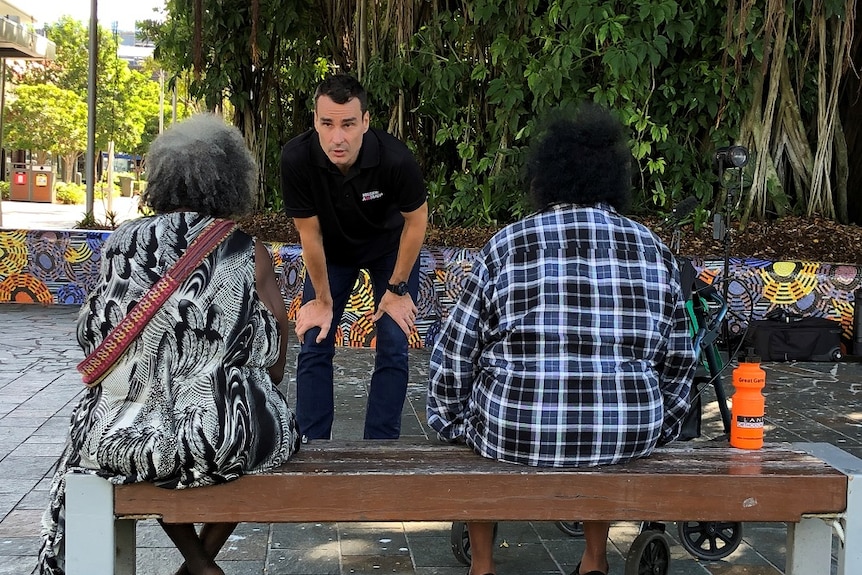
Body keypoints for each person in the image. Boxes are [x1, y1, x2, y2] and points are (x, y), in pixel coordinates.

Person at [426, 104, 697, 575]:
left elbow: (455, 354)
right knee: (600, 415)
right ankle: (594, 561)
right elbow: (679, 363)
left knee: (484, 411)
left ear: (545, 177)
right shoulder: (655, 250)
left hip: (514, 428)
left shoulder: (508, 245)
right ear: (613, 180)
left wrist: (454, 421)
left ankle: (483, 566)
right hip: (626, 432)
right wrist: (657, 424)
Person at [38, 114, 301, 575]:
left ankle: (196, 563)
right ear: (232, 179)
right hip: (225, 438)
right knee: (269, 423)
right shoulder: (245, 251)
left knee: (146, 440)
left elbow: (93, 338)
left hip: (125, 437)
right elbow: (275, 362)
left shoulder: (121, 244)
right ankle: (199, 563)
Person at [280, 73, 428, 440]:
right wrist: (323, 301)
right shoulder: (296, 158)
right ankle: (313, 444)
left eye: (348, 124)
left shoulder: (395, 159)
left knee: (394, 339)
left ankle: (381, 446)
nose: (337, 137)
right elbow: (309, 234)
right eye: (327, 123)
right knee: (315, 333)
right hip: (332, 251)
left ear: (365, 121)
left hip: (390, 250)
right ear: (315, 120)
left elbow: (417, 221)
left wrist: (396, 289)